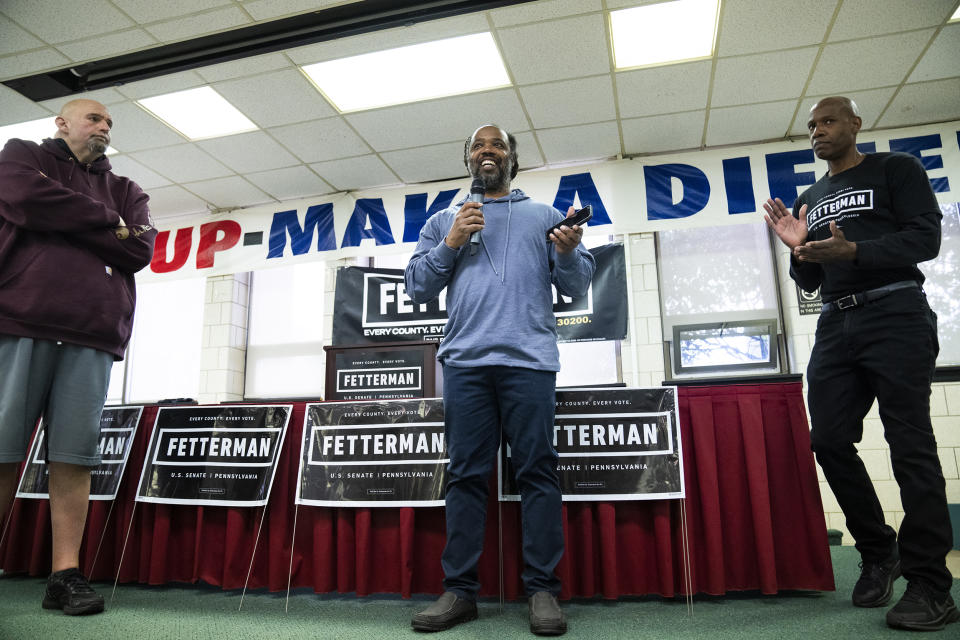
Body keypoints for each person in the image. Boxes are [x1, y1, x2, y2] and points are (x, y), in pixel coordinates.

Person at [764, 96, 956, 632]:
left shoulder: (897, 169)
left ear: (854, 124)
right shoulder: (811, 195)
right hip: (836, 323)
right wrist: (799, 250)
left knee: (909, 444)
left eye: (828, 121)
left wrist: (855, 252)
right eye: (811, 126)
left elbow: (927, 239)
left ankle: (930, 584)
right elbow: (811, 281)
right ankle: (879, 551)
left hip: (896, 310)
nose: (818, 131)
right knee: (826, 440)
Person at [405, 125, 595, 635]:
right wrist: (451, 240)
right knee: (466, 475)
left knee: (537, 473)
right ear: (466, 157)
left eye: (497, 146)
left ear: (513, 159)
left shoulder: (546, 216)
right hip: (466, 364)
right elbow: (418, 286)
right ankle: (460, 591)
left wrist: (568, 252)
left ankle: (542, 592)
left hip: (529, 362)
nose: (487, 152)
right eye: (478, 146)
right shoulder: (444, 219)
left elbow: (576, 287)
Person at [0, 99, 156, 615]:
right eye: (95, 118)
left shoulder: (129, 190)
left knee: (74, 458)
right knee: (1, 453)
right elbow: (23, 198)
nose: (104, 127)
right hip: (20, 321)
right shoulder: (24, 156)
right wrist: (106, 223)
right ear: (62, 123)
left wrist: (67, 216)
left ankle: (64, 575)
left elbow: (138, 250)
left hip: (93, 335)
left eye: (109, 123)